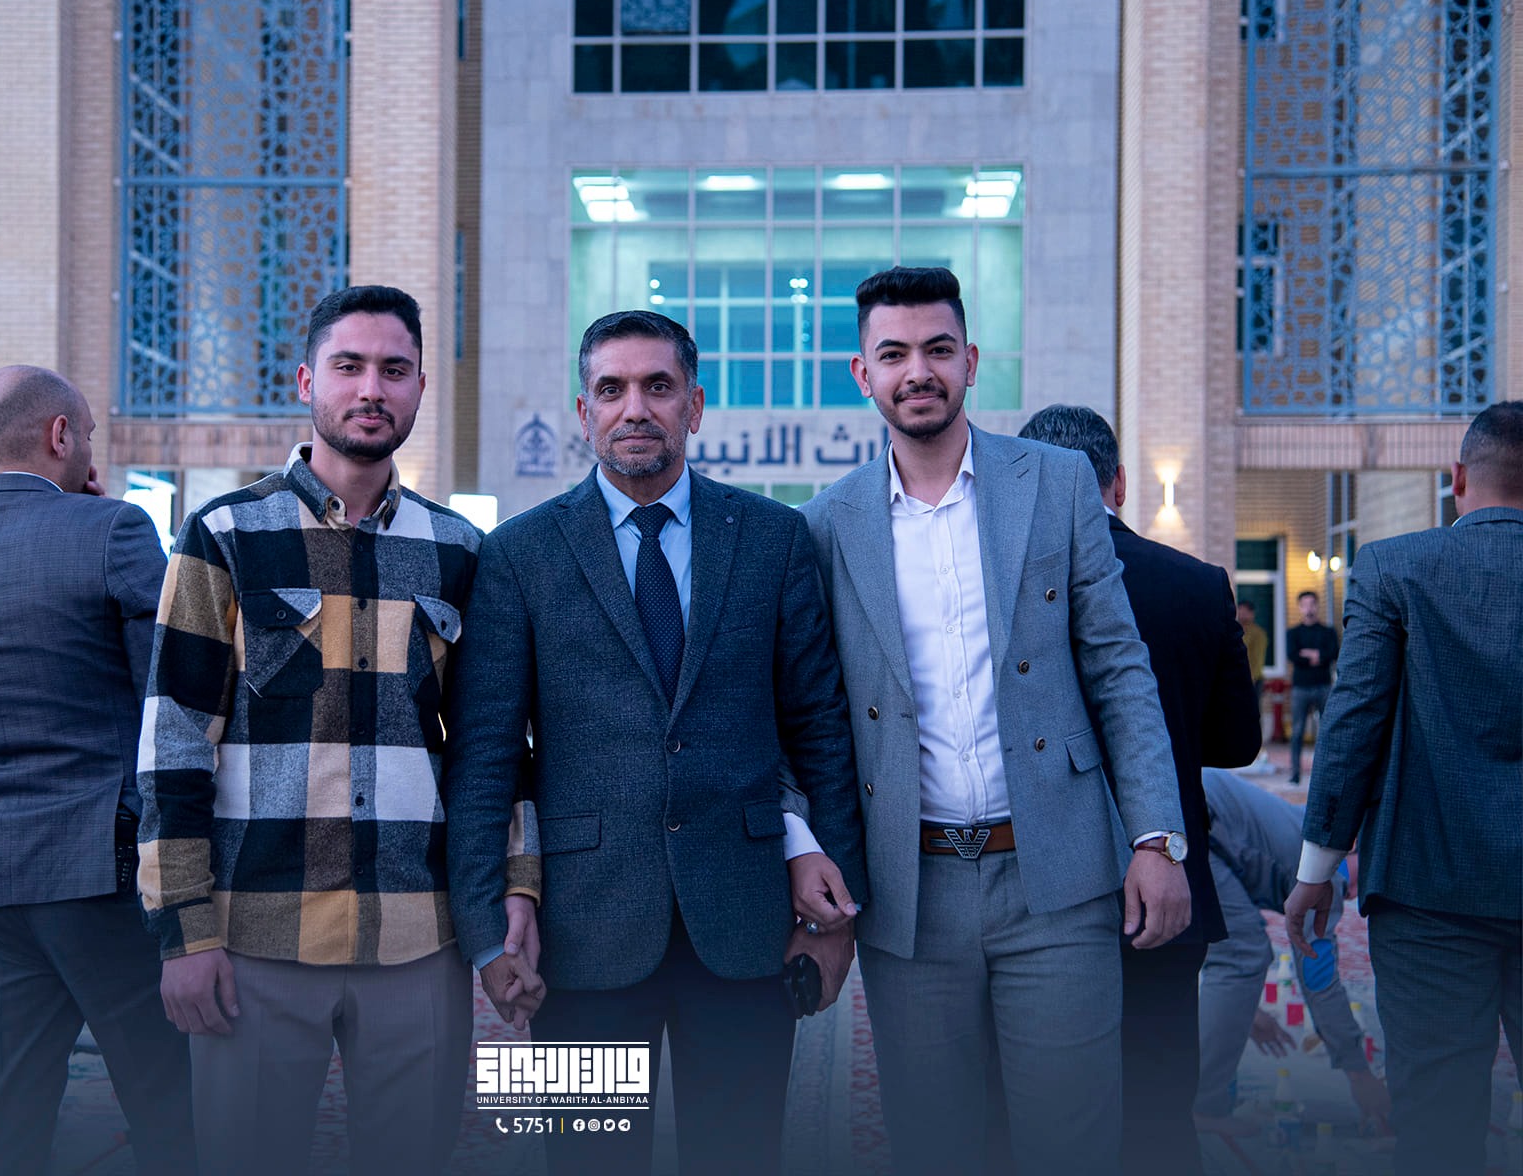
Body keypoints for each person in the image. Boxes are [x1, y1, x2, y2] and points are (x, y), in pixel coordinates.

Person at [444, 309, 867, 1176]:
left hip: (747, 926)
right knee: (581, 1165)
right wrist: (487, 928)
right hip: (575, 934)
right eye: (612, 389)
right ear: (584, 410)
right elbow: (486, 754)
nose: (634, 407)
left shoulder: (773, 537)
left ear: (695, 405)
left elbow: (821, 730)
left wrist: (839, 917)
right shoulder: (518, 553)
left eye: (658, 386)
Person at [799, 267, 1188, 1176]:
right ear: (862, 373)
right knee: (935, 1146)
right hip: (910, 891)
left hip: (1058, 873)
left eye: (938, 350)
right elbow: (809, 713)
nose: (918, 371)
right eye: (894, 354)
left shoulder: (1054, 483)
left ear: (970, 361)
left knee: (1072, 1144)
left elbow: (1120, 669)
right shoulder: (824, 525)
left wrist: (1156, 838)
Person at [138, 286, 515, 1176]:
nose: (371, 389)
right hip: (255, 935)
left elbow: (495, 751)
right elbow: (174, 744)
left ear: (420, 387)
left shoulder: (460, 550)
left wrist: (511, 899)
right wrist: (185, 933)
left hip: (419, 935)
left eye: (394, 370)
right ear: (308, 381)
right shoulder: (225, 535)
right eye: (349, 367)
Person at [0, 365, 194, 1176]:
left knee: (5, 1111)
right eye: (87, 434)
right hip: (99, 870)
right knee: (170, 1100)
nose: (91, 450)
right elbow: (169, 692)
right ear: (60, 435)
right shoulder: (113, 528)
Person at [1016, 404, 1262, 1176]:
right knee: (1157, 1117)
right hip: (1167, 888)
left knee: (1036, 1116)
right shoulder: (1196, 584)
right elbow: (1238, 742)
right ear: (1118, 483)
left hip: (1036, 891)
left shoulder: (1005, 590)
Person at [1284, 401, 1523, 1176]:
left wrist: (1317, 870)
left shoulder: (1395, 567)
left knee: (1438, 1130)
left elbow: (1353, 724)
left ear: (1457, 479)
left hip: (1427, 889)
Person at [1195, 768, 1389, 1135]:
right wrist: (1359, 1072)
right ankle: (1202, 1106)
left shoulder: (1307, 829)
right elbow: (1318, 979)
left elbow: (1215, 930)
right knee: (1244, 956)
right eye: (1364, 876)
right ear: (1354, 846)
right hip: (1197, 815)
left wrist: (1244, 1010)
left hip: (1190, 806)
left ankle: (1193, 1095)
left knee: (1240, 953)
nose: (1354, 893)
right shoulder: (1328, 874)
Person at [1284, 590, 1339, 784]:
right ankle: (1295, 773)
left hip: (1324, 686)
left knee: (1327, 730)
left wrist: (1308, 654)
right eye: (1305, 604)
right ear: (1300, 607)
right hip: (1300, 687)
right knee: (1297, 731)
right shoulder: (1293, 633)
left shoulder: (1328, 632)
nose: (1309, 608)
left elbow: (1333, 653)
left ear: (1317, 605)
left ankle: (1327, 773)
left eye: (1312, 604)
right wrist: (1318, 656)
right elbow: (1292, 655)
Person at [1237, 600, 1269, 702]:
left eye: (1245, 612)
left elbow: (1258, 658)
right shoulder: (1234, 631)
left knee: (1251, 708)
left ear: (1252, 614)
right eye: (1240, 612)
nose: (1242, 615)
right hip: (1236, 678)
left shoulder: (1258, 633)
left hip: (1252, 679)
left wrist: (1251, 678)